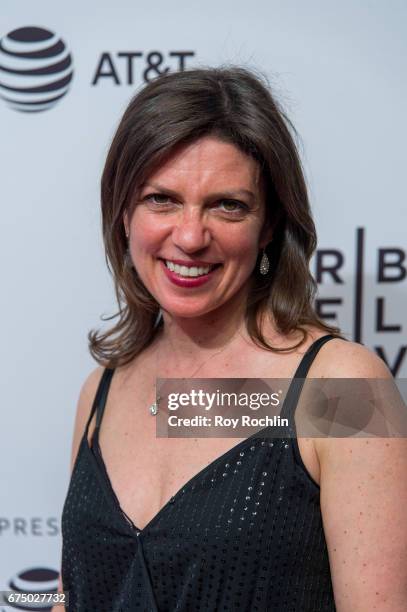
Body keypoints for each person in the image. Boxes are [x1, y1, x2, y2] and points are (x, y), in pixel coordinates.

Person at [57, 66, 407, 611]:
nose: (192, 236)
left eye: (228, 205)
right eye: (161, 199)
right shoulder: (103, 389)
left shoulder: (339, 386)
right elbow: (74, 596)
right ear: (123, 213)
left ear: (268, 224)